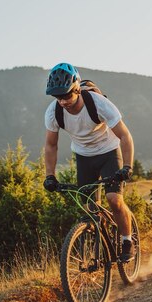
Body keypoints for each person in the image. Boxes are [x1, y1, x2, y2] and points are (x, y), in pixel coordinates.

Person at [43, 62, 135, 262]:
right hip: (84, 157)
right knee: (90, 210)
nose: (63, 102)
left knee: (114, 199)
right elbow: (51, 145)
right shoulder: (54, 112)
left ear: (76, 89)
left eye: (67, 95)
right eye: (58, 97)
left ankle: (127, 240)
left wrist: (127, 166)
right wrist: (49, 175)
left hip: (109, 152)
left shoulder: (98, 103)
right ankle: (100, 251)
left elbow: (125, 136)